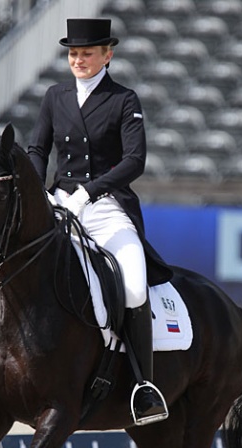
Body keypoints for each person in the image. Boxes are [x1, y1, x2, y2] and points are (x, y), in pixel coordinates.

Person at [28, 18, 172, 426]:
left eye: (87, 53)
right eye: (73, 54)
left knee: (132, 283)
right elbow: (37, 147)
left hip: (108, 206)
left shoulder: (124, 100)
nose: (78, 60)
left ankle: (144, 387)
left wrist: (90, 192)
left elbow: (134, 160)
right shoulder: (54, 96)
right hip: (59, 203)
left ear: (107, 55)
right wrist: (39, 191)